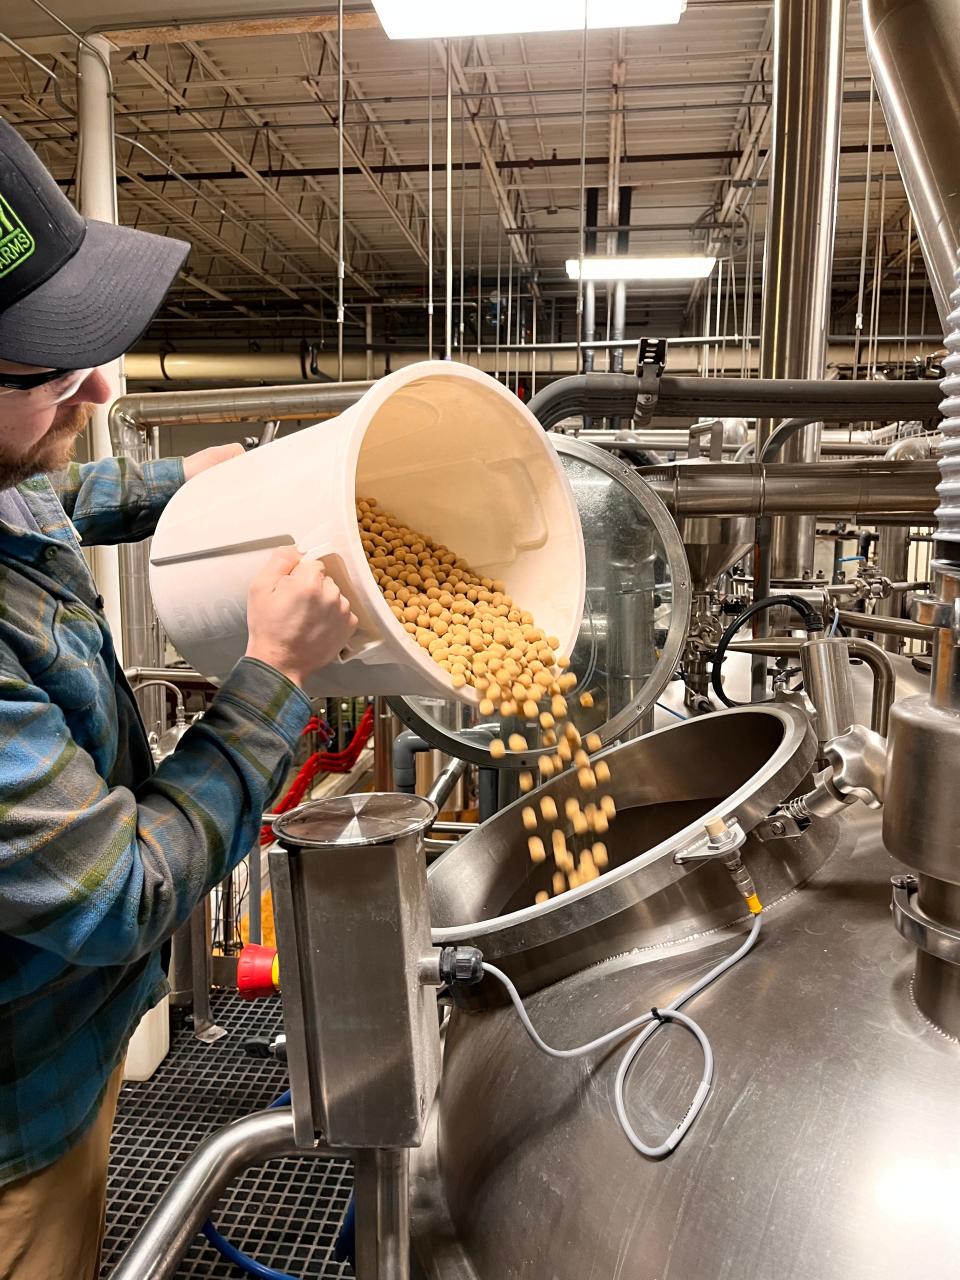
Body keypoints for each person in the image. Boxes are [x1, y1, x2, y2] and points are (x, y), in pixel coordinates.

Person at [0, 118, 358, 1280]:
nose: (100, 385)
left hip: (61, 1038)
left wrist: (186, 485)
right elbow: (116, 892)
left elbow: (51, 494)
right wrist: (278, 678)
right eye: (52, 367)